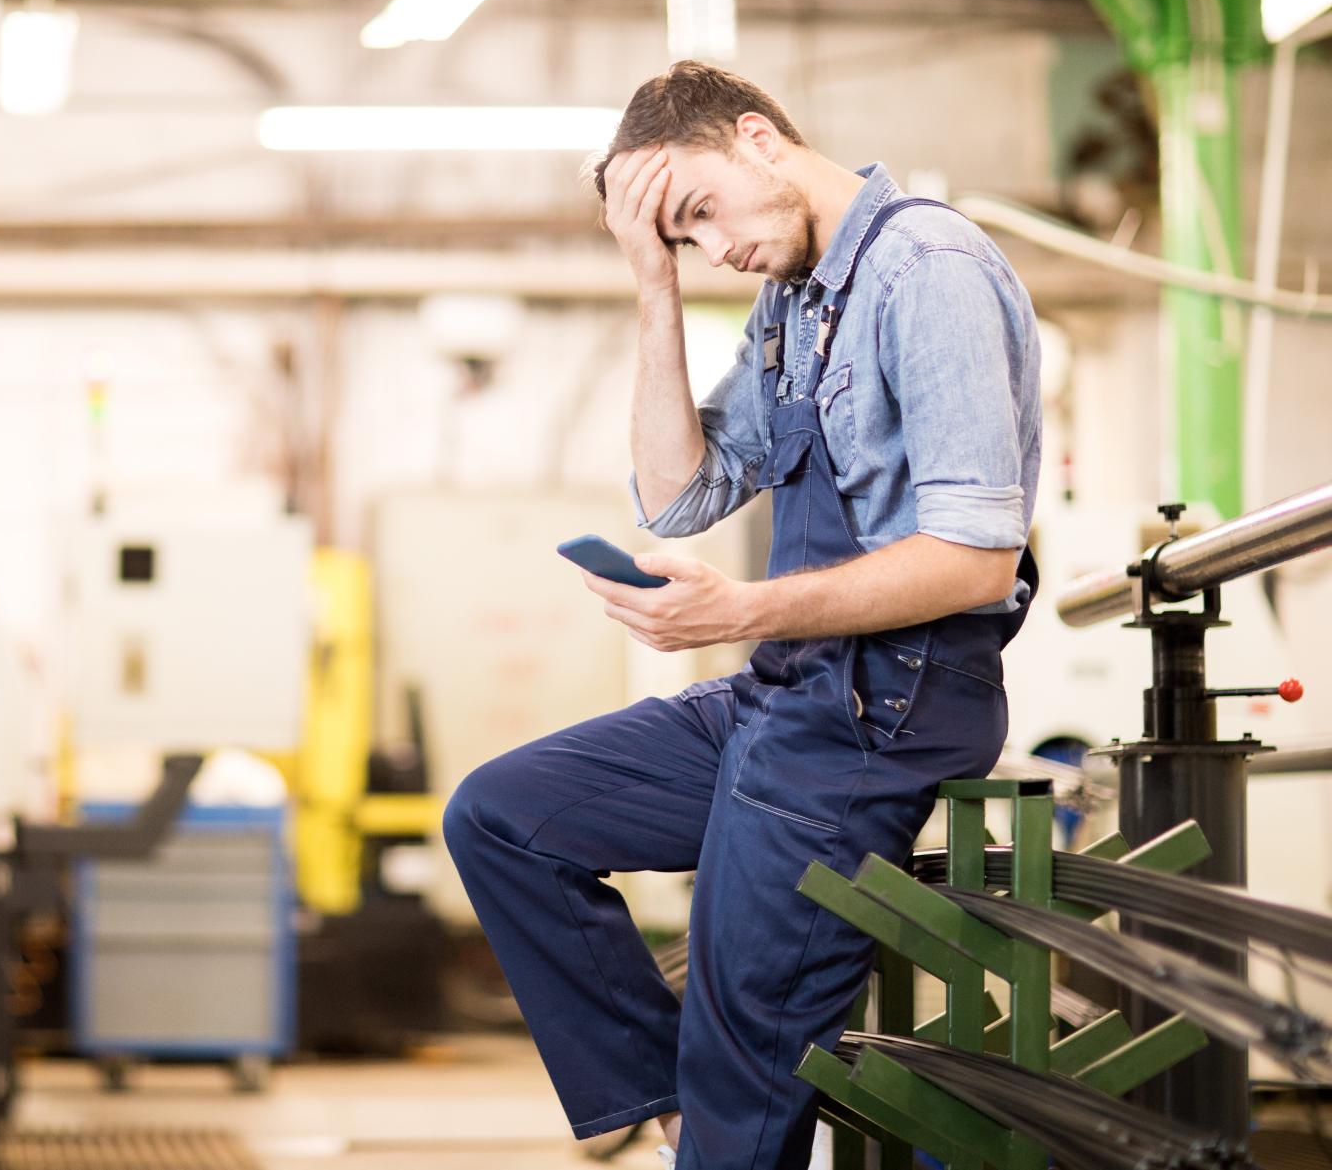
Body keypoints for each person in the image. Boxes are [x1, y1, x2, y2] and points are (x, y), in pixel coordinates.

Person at [440, 60, 1042, 1169]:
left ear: (759, 137)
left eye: (701, 212)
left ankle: (716, 1118)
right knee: (502, 815)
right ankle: (676, 1101)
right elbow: (681, 491)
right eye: (683, 237)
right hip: (793, 689)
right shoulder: (797, 305)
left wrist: (744, 607)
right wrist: (652, 289)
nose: (714, 247)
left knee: (744, 1059)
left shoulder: (932, 269)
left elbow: (973, 557)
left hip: (891, 704)